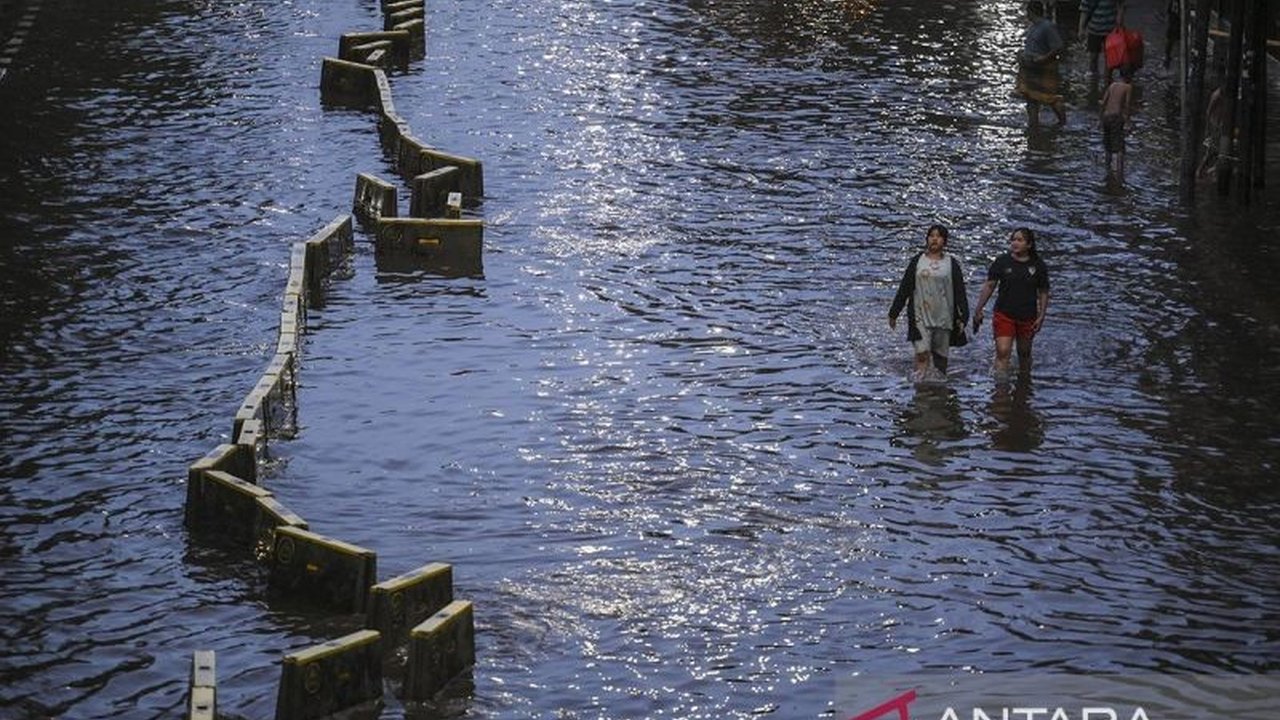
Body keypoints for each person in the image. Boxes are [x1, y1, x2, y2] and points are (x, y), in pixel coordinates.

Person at [889, 225, 971, 381]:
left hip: (944, 316)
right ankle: (920, 391)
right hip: (920, 315)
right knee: (922, 353)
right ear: (927, 239)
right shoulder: (917, 261)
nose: (934, 239)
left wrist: (963, 317)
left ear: (944, 241)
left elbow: (960, 292)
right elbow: (905, 287)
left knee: (940, 359)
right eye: (931, 235)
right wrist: (894, 312)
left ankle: (939, 392)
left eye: (939, 236)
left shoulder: (952, 264)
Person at [971, 228, 1050, 377]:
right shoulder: (1002, 261)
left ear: (1029, 245)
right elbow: (990, 285)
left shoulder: (1038, 266)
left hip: (1028, 315)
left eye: (1019, 240)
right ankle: (1000, 386)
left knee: (1024, 352)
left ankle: (1025, 381)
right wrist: (979, 308)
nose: (1015, 243)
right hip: (1004, 313)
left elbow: (1043, 292)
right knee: (1003, 351)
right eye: (1013, 239)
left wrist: (1042, 315)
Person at [1016, 1, 1068, 127]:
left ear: (1030, 11)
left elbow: (1058, 47)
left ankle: (1062, 122)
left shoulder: (1047, 27)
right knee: (1031, 97)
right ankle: (1033, 125)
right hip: (1031, 69)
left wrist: (1043, 59)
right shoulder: (1033, 27)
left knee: (1050, 98)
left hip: (1043, 68)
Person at [1079, 0, 1125, 88]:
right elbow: (1084, 11)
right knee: (1093, 57)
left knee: (1109, 58)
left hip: (1110, 30)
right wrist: (1081, 28)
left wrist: (1120, 16)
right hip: (1094, 30)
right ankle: (1093, 81)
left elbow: (1121, 4)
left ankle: (1107, 82)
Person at [1100, 64, 1134, 181]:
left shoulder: (1112, 85)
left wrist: (1099, 119)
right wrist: (1128, 121)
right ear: (1130, 75)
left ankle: (1107, 169)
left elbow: (1103, 102)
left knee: (1108, 145)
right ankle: (1120, 174)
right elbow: (1127, 105)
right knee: (1120, 148)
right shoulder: (1127, 87)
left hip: (1106, 117)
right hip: (1116, 117)